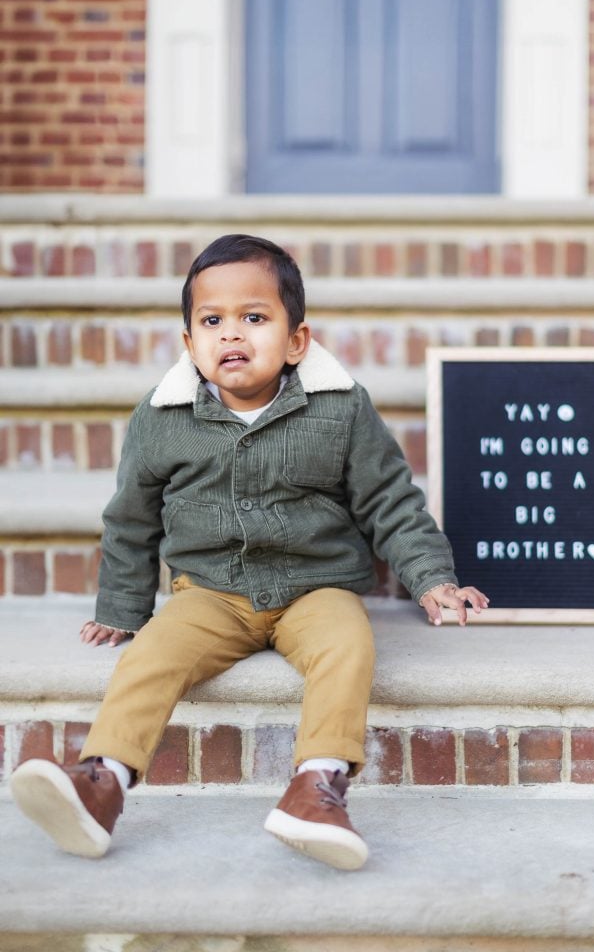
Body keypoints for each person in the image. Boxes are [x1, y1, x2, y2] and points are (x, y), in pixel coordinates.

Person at [10, 233, 489, 871]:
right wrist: (123, 607)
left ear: (298, 340)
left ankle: (316, 787)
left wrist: (431, 577)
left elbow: (390, 501)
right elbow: (130, 520)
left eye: (254, 318)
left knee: (349, 645)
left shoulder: (339, 409)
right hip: (209, 592)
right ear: (189, 343)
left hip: (315, 588)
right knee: (153, 655)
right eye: (212, 321)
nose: (231, 335)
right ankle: (102, 784)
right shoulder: (161, 419)